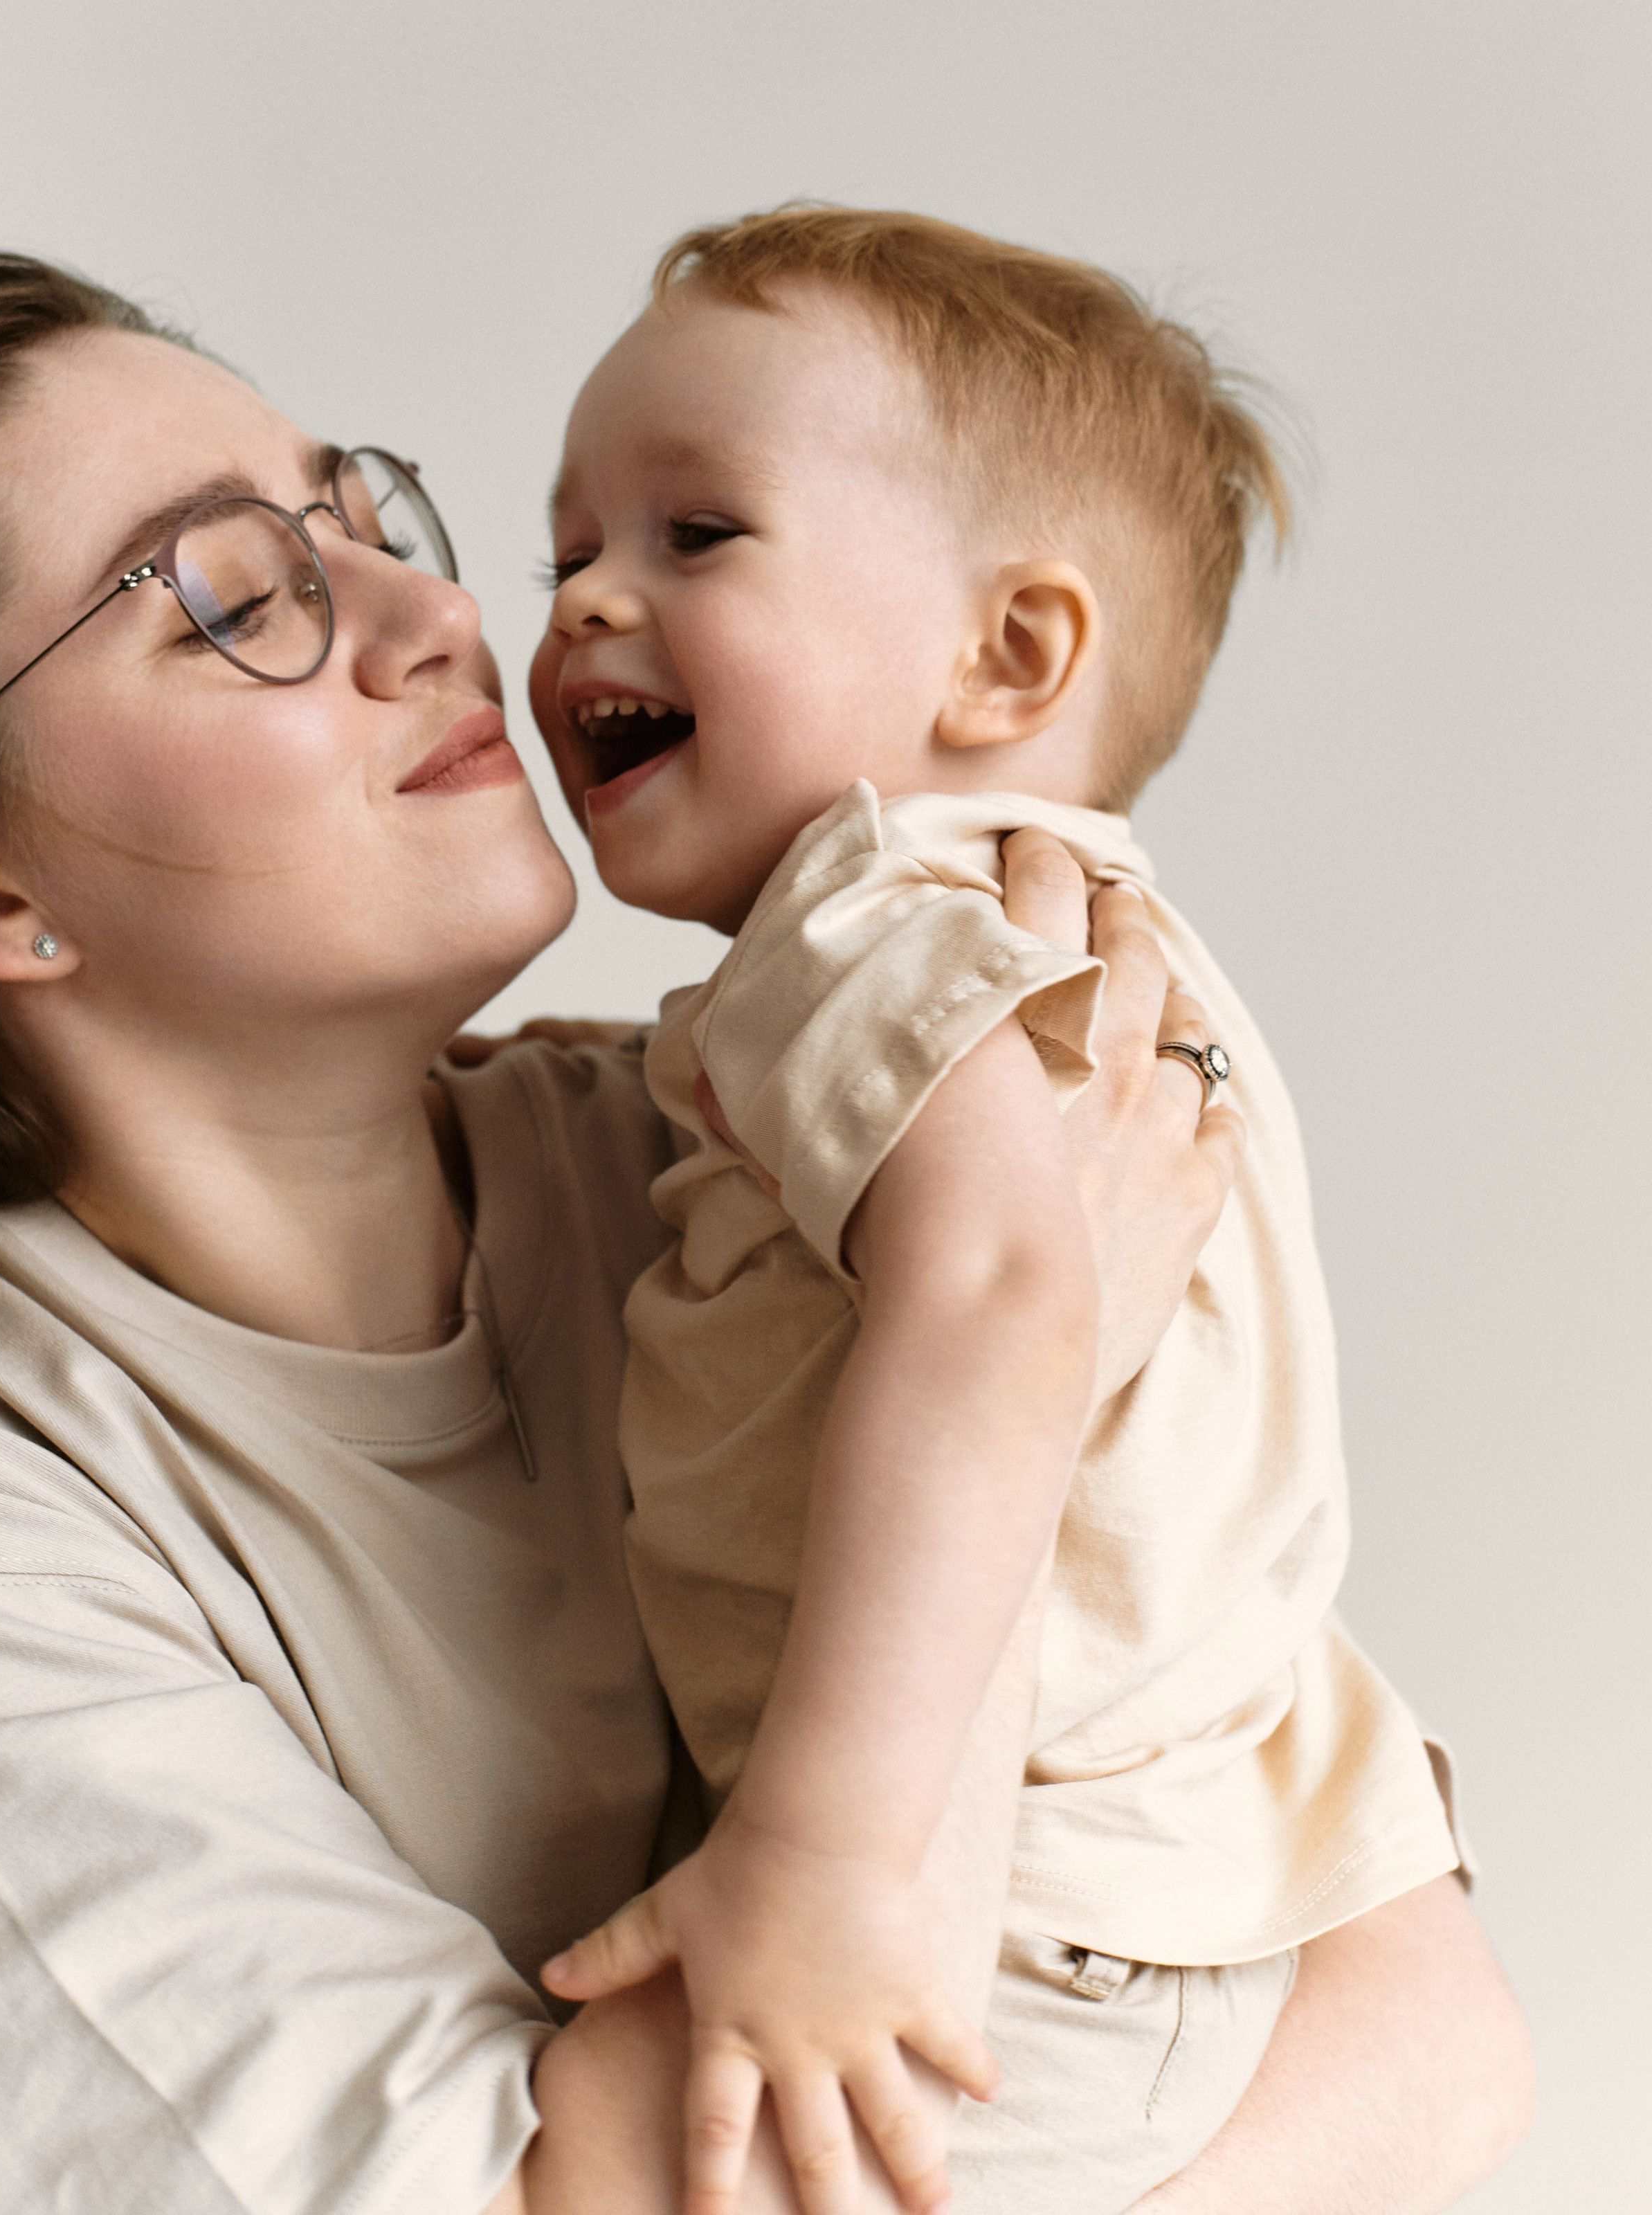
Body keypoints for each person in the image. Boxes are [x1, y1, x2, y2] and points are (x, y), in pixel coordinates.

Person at [0, 250, 1528, 2215]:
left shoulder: (723, 1154)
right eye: (240, 599)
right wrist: (1045, 1335)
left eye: (367, 519)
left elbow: (1421, 2010)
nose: (446, 615)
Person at [527, 208, 1509, 2214]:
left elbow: (996, 1296)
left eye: (696, 537)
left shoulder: (872, 909)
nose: (583, 609)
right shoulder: (1062, 941)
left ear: (1009, 654)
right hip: (1160, 1891)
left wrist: (826, 1847)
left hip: (992, 1922)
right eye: (571, 550)